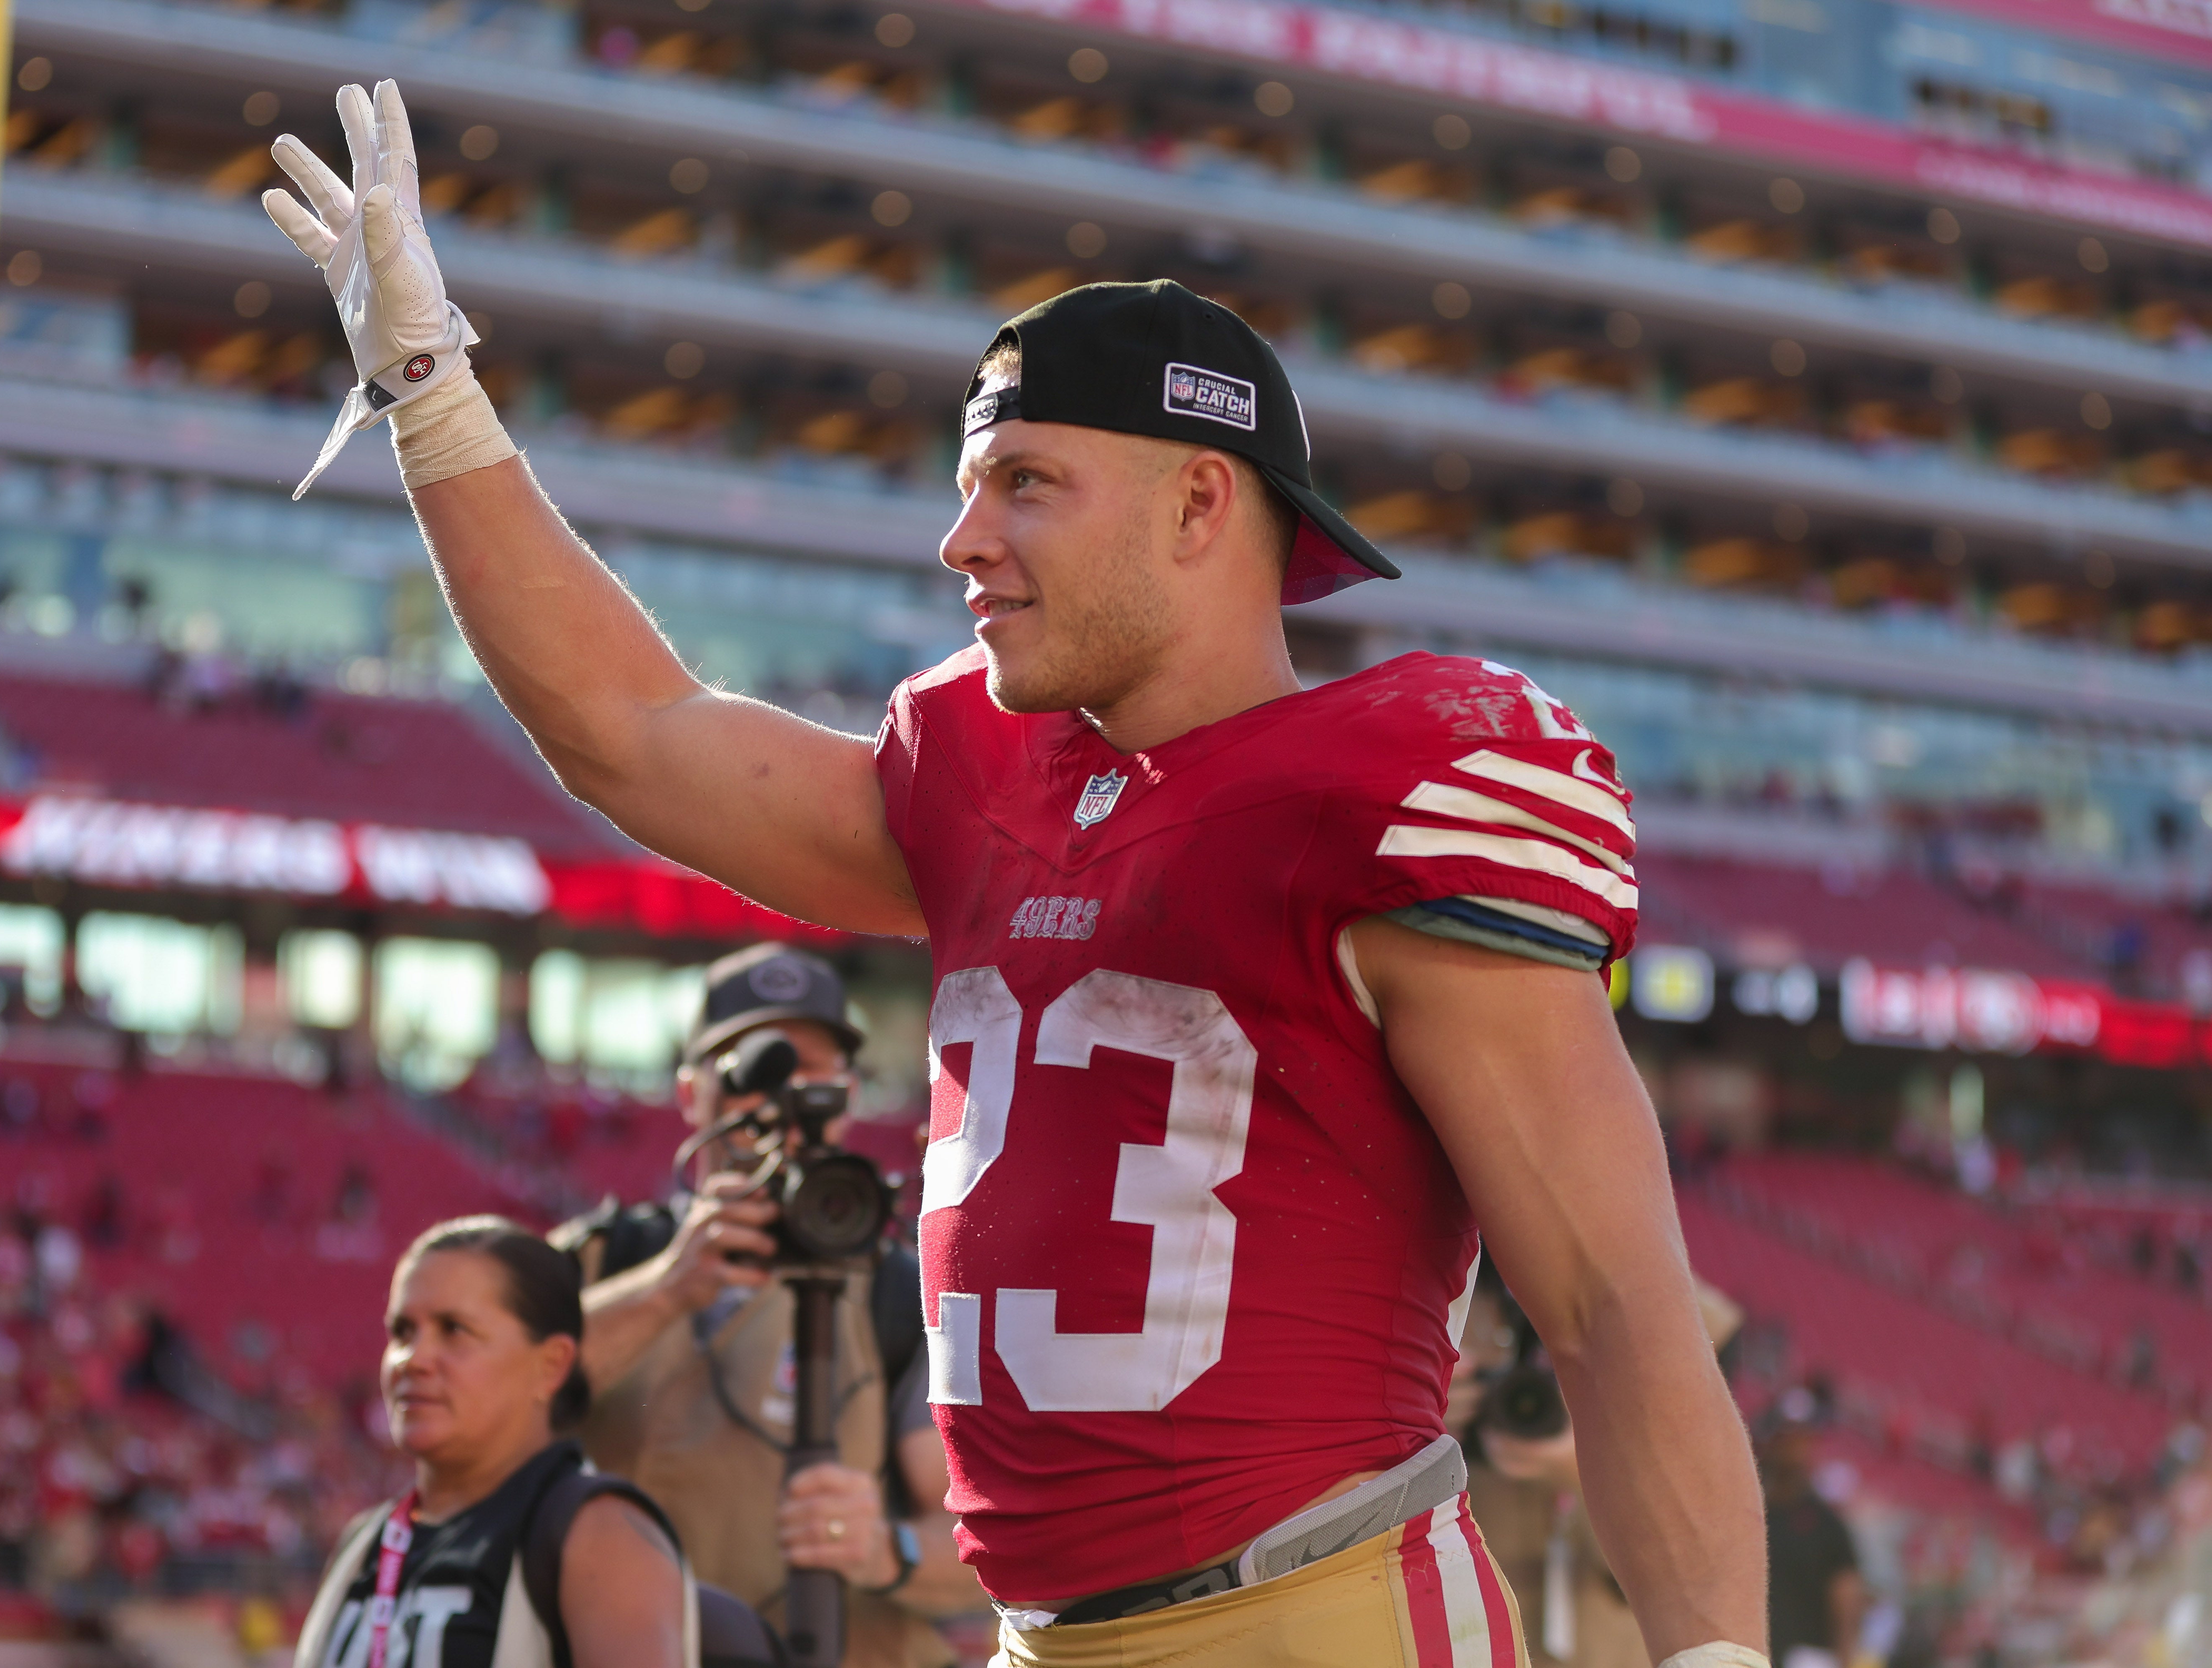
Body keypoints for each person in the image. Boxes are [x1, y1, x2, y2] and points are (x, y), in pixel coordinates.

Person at [263, 89, 1766, 1668]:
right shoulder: (980, 775)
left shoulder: (1380, 789)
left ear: (1200, 502)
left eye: (1026, 482)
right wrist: (430, 395)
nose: (958, 537)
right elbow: (633, 737)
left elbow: (1611, 1310)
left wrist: (1715, 1656)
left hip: (1315, 1611)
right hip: (1033, 1636)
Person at [553, 944, 979, 1668]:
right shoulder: (607, 1255)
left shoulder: (896, 1291)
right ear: (692, 1094)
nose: (789, 1096)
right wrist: (666, 1287)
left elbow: (976, 1534)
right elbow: (491, 1406)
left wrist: (883, 1548)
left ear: (847, 1091)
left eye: (817, 1072)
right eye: (762, 1067)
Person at [292, 1215, 691, 1668]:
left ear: (552, 1365)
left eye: (455, 1330)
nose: (415, 1359)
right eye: (403, 1332)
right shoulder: (366, 1541)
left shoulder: (598, 1533)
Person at [1452, 1269, 1747, 1668]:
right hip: (1473, 1620)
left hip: (1606, 1638)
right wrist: (1421, 1414)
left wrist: (1591, 1472)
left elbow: (1684, 1569)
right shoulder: (1452, 1290)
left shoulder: (1673, 1313)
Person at [1759, 1423, 1863, 1668]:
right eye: (1786, 1441)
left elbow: (1846, 1593)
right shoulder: (1758, 1514)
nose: (1794, 1451)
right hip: (1760, 1648)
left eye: (1800, 1442)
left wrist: (1845, 1657)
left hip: (1809, 1655)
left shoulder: (1825, 1522)